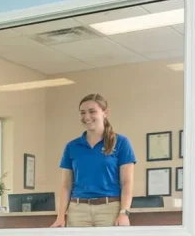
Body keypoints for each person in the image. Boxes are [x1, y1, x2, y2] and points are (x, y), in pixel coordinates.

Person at [51, 93, 136, 227]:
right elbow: (66, 185)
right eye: (82, 113)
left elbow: (127, 183)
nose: (87, 117)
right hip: (77, 210)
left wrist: (124, 213)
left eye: (92, 111)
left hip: (109, 209)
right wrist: (60, 216)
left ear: (105, 113)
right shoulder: (72, 146)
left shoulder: (121, 143)